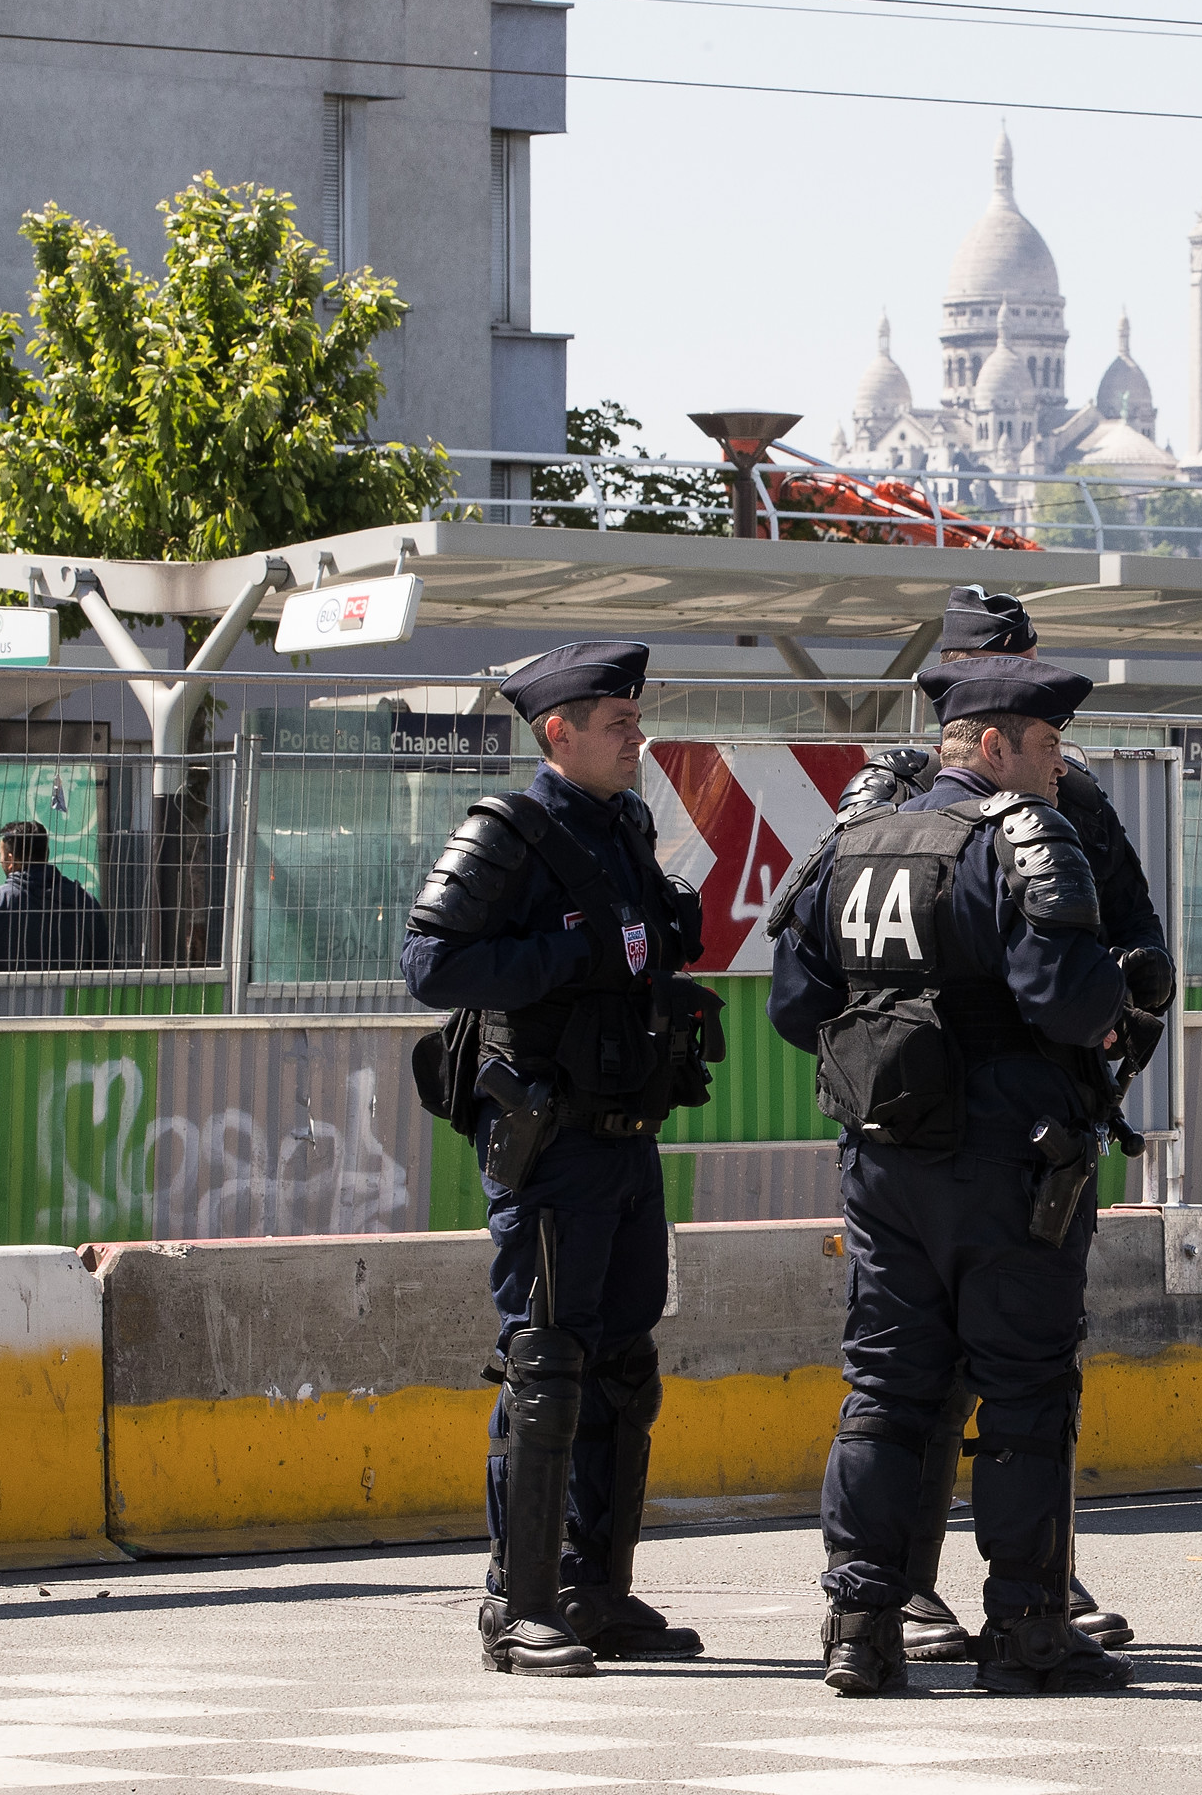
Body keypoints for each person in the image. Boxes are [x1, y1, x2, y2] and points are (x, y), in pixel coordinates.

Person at [768, 652, 1170, 1697]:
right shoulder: (1020, 838)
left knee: (886, 1388)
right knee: (1026, 1388)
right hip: (1009, 1159)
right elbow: (1071, 1002)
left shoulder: (851, 841)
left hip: (884, 1158)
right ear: (991, 744)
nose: (1058, 764)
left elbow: (794, 1007)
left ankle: (861, 1621)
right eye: (1045, 744)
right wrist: (1121, 995)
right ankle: (1029, 1627)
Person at [402, 640, 723, 1680]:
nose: (638, 736)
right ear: (560, 733)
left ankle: (596, 1586)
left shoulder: (623, 823)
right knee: (545, 1361)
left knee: (623, 1365)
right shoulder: (512, 831)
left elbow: (634, 950)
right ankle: (521, 1601)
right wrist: (564, 957)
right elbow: (431, 960)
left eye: (638, 717)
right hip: (551, 1147)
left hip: (627, 1140)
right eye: (618, 723)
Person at [0, 821, 112, 970]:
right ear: (46, 853)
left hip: (3, 1000)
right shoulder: (84, 902)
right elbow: (106, 966)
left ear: (10, 860)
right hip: (71, 1000)